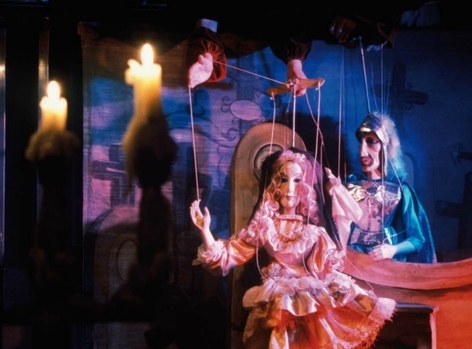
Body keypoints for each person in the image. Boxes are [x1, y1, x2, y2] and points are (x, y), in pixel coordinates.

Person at [190, 147, 396, 349]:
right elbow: (232, 253)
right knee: (281, 305)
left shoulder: (313, 231)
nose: (289, 188)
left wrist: (333, 282)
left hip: (305, 280)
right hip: (278, 282)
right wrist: (205, 232)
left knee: (311, 302)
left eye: (297, 180)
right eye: (283, 179)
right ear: (274, 186)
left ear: (305, 187)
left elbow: (327, 264)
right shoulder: (265, 226)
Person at [186, 3, 429, 94]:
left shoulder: (311, 18)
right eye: (348, 29)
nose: (341, 33)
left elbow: (293, 24)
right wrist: (206, 51)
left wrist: (295, 68)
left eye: (346, 38)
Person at [327, 112, 437, 263]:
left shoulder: (401, 190)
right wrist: (333, 191)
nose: (362, 152)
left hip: (386, 265)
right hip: (352, 260)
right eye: (361, 143)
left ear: (387, 146)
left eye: (371, 142)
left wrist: (392, 250)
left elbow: (417, 240)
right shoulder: (349, 185)